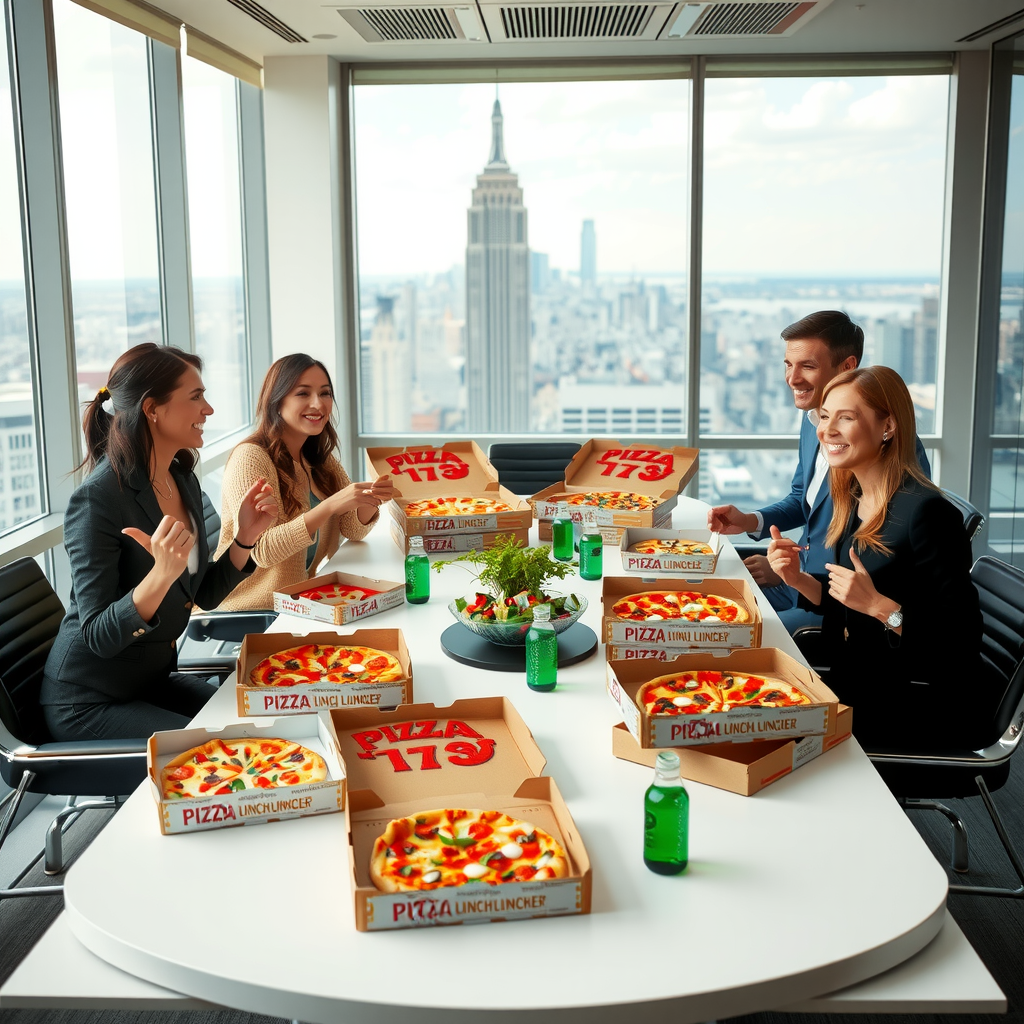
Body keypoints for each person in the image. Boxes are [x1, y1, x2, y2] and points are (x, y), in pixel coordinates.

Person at [41, 344, 277, 741]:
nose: (209, 410)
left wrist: (245, 538)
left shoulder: (182, 478)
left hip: (149, 682)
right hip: (88, 701)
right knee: (227, 752)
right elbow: (98, 635)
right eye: (196, 397)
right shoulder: (99, 498)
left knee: (258, 727)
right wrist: (161, 575)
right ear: (153, 409)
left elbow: (202, 595)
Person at [767, 366, 990, 749]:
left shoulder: (928, 513)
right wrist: (797, 579)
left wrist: (881, 607)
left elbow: (960, 643)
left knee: (759, 734)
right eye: (825, 417)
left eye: (846, 417)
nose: (827, 430)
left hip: (914, 699)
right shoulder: (854, 496)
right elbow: (849, 599)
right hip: (856, 678)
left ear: (888, 426)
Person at [707, 310, 930, 633]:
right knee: (703, 608)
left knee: (727, 635)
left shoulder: (898, 478)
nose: (792, 378)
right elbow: (804, 499)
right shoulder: (813, 422)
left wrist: (880, 609)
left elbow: (893, 585)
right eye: (787, 365)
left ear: (848, 367)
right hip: (812, 587)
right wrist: (752, 524)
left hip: (841, 613)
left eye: (807, 366)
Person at [208, 353, 393, 611]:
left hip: (300, 600)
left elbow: (353, 530)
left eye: (325, 393)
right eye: (303, 394)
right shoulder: (250, 458)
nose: (318, 404)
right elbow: (261, 551)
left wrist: (372, 498)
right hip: (254, 606)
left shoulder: (319, 459)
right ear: (277, 400)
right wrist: (329, 507)